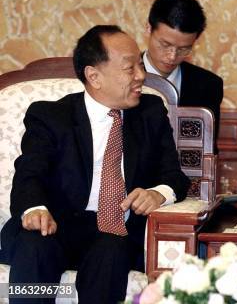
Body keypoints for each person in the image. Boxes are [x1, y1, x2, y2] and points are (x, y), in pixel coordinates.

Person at [0, 25, 190, 303]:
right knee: (34, 245)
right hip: (55, 226)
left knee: (111, 250)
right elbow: (30, 173)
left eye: (140, 64)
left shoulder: (150, 113)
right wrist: (35, 209)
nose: (141, 76)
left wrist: (158, 192)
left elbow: (175, 176)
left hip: (115, 231)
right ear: (94, 76)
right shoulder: (52, 116)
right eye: (130, 68)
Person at [144, 0, 223, 152]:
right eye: (165, 44)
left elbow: (206, 148)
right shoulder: (123, 76)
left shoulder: (208, 85)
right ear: (148, 29)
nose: (172, 56)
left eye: (184, 49)